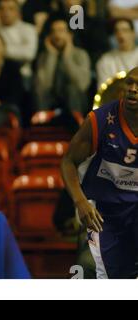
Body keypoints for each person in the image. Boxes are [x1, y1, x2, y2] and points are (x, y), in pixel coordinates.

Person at [61, 67, 138, 279]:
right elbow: (68, 161)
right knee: (97, 271)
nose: (132, 89)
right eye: (129, 83)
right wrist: (80, 201)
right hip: (104, 210)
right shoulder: (101, 119)